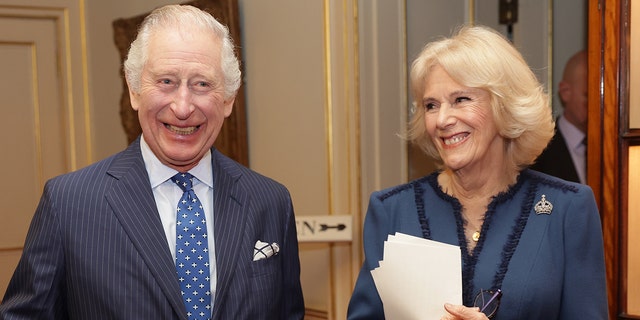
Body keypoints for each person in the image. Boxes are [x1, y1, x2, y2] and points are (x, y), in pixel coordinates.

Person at [0, 5, 304, 320]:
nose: (183, 107)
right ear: (134, 91)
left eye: (202, 84)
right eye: (166, 81)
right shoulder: (68, 204)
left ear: (228, 99)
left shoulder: (270, 201)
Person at [347, 26, 607, 319]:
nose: (442, 119)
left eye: (461, 100)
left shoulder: (568, 208)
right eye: (431, 105)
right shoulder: (392, 211)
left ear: (504, 106)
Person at [531, 50, 588, 184]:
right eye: (588, 95)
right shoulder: (537, 151)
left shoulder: (615, 148)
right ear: (565, 92)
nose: (599, 104)